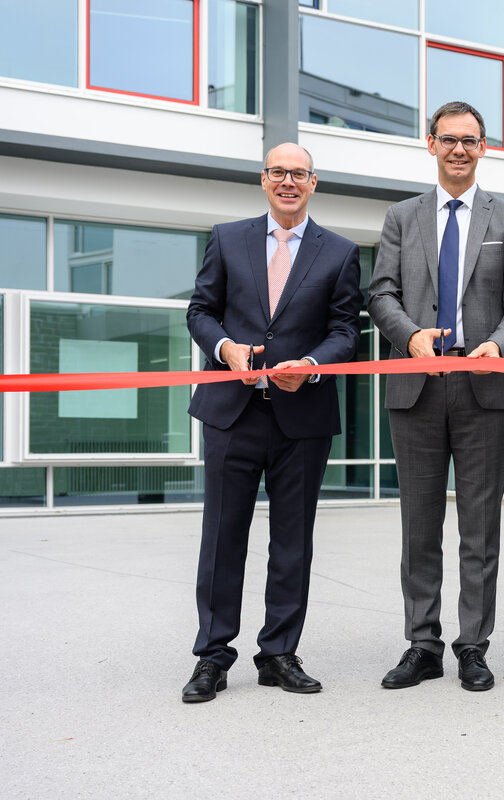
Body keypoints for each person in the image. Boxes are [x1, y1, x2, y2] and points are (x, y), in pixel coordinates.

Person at [182, 143, 362, 702]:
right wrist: (225, 349)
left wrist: (311, 367)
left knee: (292, 542)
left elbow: (345, 331)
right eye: (279, 172)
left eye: (299, 174)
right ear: (264, 179)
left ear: (314, 183)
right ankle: (212, 656)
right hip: (231, 413)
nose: (289, 182)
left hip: (300, 417)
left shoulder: (340, 251)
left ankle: (278, 653)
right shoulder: (227, 237)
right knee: (222, 538)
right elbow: (201, 311)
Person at [367, 101, 504, 692]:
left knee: (480, 526)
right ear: (430, 144)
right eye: (449, 139)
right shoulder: (401, 217)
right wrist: (409, 335)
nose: (459, 149)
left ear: (484, 147)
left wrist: (498, 343)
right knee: (419, 525)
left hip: (483, 385)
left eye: (470, 140)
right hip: (415, 385)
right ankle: (422, 643)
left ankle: (473, 645)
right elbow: (381, 293)